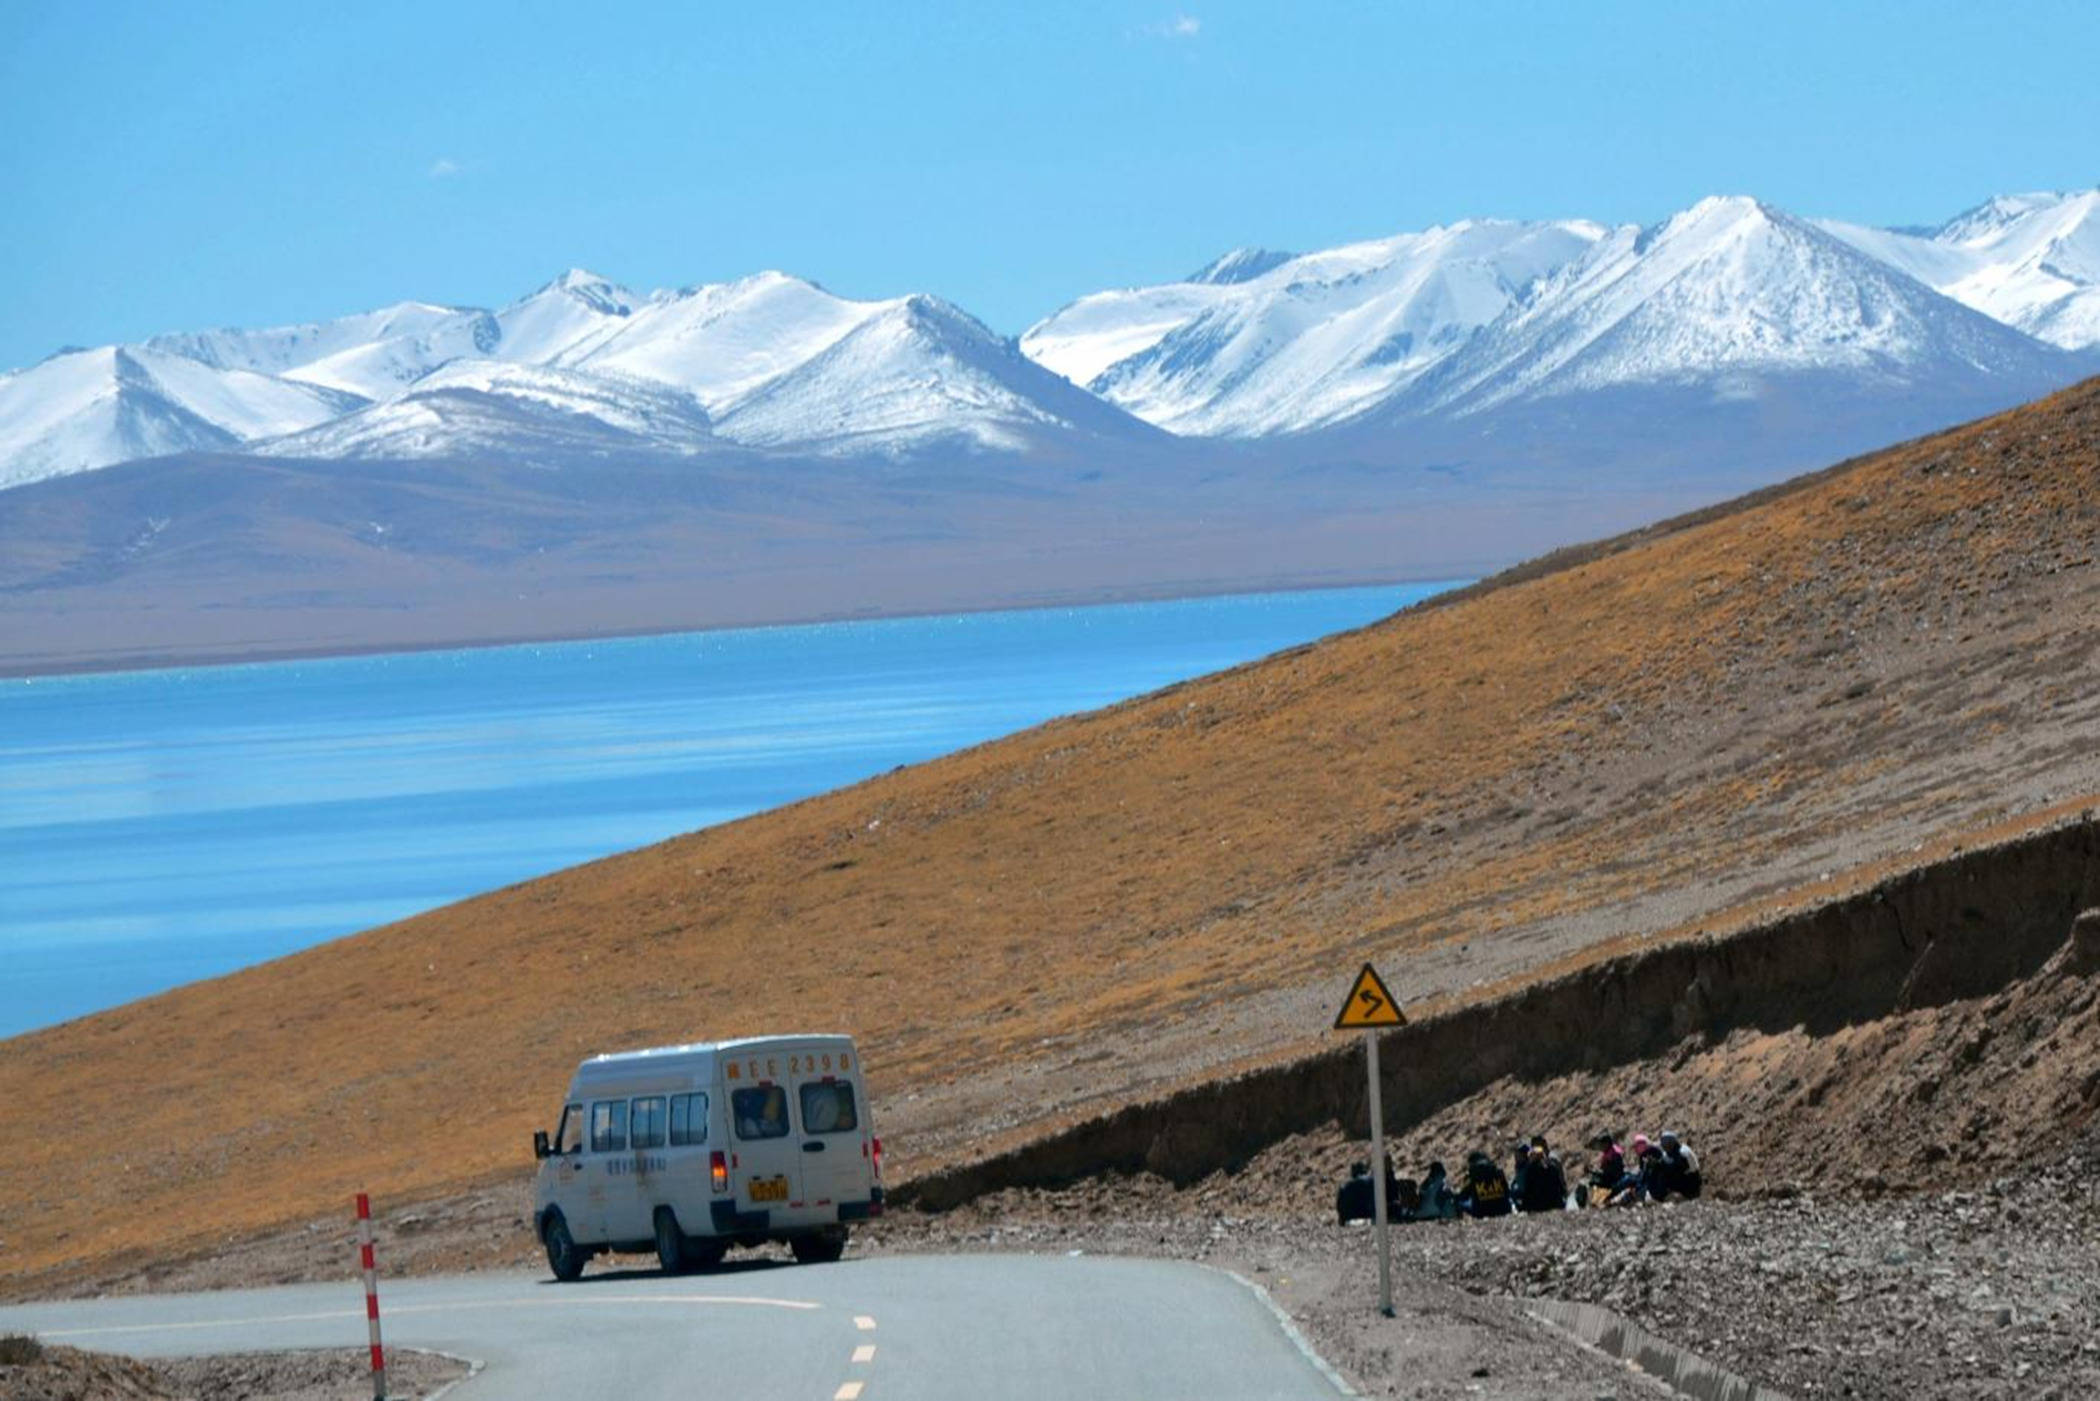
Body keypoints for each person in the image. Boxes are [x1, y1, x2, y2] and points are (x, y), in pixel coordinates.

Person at [1458, 1150, 1512, 1218]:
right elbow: (1507, 1192)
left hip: (1481, 1212)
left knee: (1460, 1202)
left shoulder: (1473, 1174)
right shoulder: (1498, 1171)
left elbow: (1463, 1196)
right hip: (1503, 1210)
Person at [1655, 1130, 1703, 1200]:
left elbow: (1694, 1169)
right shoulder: (1665, 1154)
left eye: (1668, 1142)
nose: (1666, 1144)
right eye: (1664, 1142)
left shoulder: (1684, 1152)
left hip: (1689, 1181)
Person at [1522, 1143, 1568, 1213]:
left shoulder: (1531, 1170)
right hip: (1553, 1204)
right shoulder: (1552, 1167)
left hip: (1538, 1206)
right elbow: (1559, 1186)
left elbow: (1528, 1189)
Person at [1585, 1131, 1626, 1207]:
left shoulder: (1614, 1156)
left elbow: (1609, 1173)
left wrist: (1593, 1172)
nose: (1600, 1147)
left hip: (1613, 1181)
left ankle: (1595, 1202)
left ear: (1607, 1144)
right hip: (1610, 1178)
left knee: (1592, 1183)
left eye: (1602, 1144)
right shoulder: (1609, 1153)